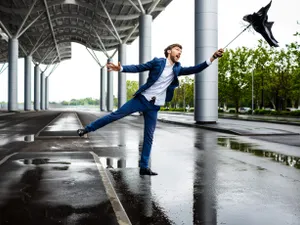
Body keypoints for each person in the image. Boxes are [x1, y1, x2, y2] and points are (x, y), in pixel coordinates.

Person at [77, 44, 224, 176]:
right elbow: (139, 67)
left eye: (181, 51)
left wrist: (212, 58)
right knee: (115, 115)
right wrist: (121, 68)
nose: (180, 52)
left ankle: (144, 167)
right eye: (177, 49)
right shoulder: (158, 62)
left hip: (154, 107)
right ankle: (87, 129)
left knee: (149, 136)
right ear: (168, 51)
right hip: (141, 100)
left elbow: (195, 69)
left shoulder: (177, 68)